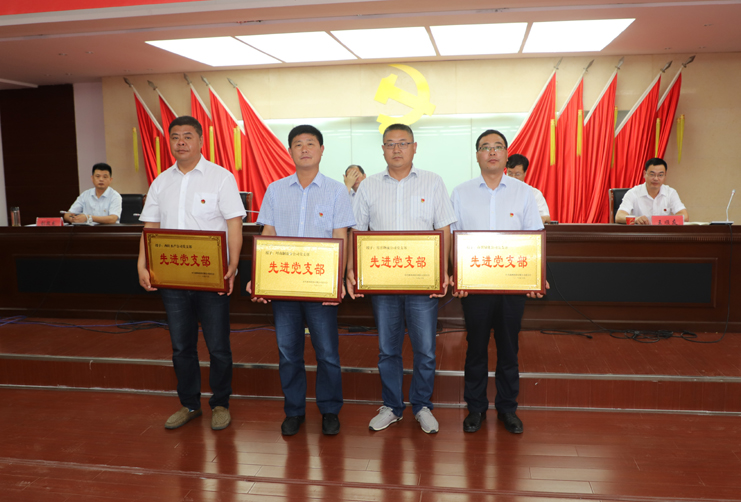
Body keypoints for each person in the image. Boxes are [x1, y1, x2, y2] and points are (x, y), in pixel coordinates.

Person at [347, 123, 456, 434]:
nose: (396, 149)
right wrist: (352, 270)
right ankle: (392, 406)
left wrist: (444, 270)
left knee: (425, 349)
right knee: (388, 349)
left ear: (414, 147)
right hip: (383, 282)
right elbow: (357, 232)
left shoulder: (433, 182)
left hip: (422, 282)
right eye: (390, 143)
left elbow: (444, 228)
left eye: (403, 143)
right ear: (382, 149)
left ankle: (422, 405)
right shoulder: (368, 186)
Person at [137, 116, 245, 431]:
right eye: (175, 137)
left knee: (218, 346)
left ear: (200, 140)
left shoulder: (221, 178)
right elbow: (150, 227)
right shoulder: (161, 182)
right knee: (181, 346)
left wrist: (233, 265)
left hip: (210, 278)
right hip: (172, 278)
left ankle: (220, 403)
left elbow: (234, 224)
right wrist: (142, 264)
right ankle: (189, 404)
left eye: (187, 136)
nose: (181, 142)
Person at [247, 125, 355, 437]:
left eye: (310, 143)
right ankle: (294, 410)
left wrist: (338, 282)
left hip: (321, 288)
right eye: (298, 144)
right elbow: (268, 235)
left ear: (321, 150)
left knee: (327, 353)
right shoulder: (275, 190)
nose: (304, 149)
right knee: (288, 352)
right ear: (290, 151)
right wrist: (258, 278)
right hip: (283, 287)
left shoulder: (336, 191)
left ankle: (330, 410)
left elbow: (341, 237)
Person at [450, 129, 548, 435]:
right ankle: (475, 408)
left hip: (512, 286)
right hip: (474, 285)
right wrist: (455, 275)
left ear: (506, 155)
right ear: (477, 155)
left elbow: (534, 237)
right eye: (485, 147)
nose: (492, 152)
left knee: (508, 348)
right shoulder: (461, 193)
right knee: (476, 348)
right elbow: (452, 238)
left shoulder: (524, 193)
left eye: (498, 147)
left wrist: (537, 276)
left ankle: (507, 408)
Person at [615, 158, 689, 225]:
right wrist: (636, 219)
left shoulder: (670, 193)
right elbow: (619, 216)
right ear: (644, 174)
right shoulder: (633, 193)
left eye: (660, 175)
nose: (656, 178)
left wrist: (663, 221)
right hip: (640, 234)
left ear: (665, 176)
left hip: (663, 234)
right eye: (652, 174)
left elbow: (685, 217)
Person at [505, 154, 551, 224]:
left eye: (517, 174)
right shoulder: (498, 191)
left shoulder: (534, 194)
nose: (513, 178)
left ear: (525, 173)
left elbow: (546, 217)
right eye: (510, 173)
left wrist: (539, 219)